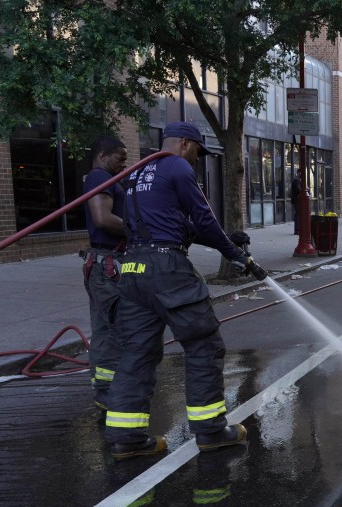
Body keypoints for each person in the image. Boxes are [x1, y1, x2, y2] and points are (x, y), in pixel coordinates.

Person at [104, 121, 267, 461]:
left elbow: (183, 227)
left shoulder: (138, 171)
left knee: (137, 352)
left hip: (132, 270)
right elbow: (204, 219)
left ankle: (126, 438)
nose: (196, 160)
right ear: (184, 144)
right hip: (168, 270)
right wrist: (236, 255)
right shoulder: (177, 166)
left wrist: (226, 239)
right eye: (197, 152)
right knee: (203, 344)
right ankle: (210, 431)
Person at [81, 136, 128, 411]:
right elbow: (102, 218)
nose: (124, 163)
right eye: (120, 157)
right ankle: (108, 391)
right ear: (102, 156)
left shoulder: (103, 179)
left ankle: (103, 390)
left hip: (101, 264)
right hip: (107, 265)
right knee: (113, 328)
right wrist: (139, 230)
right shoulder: (99, 178)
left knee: (103, 328)